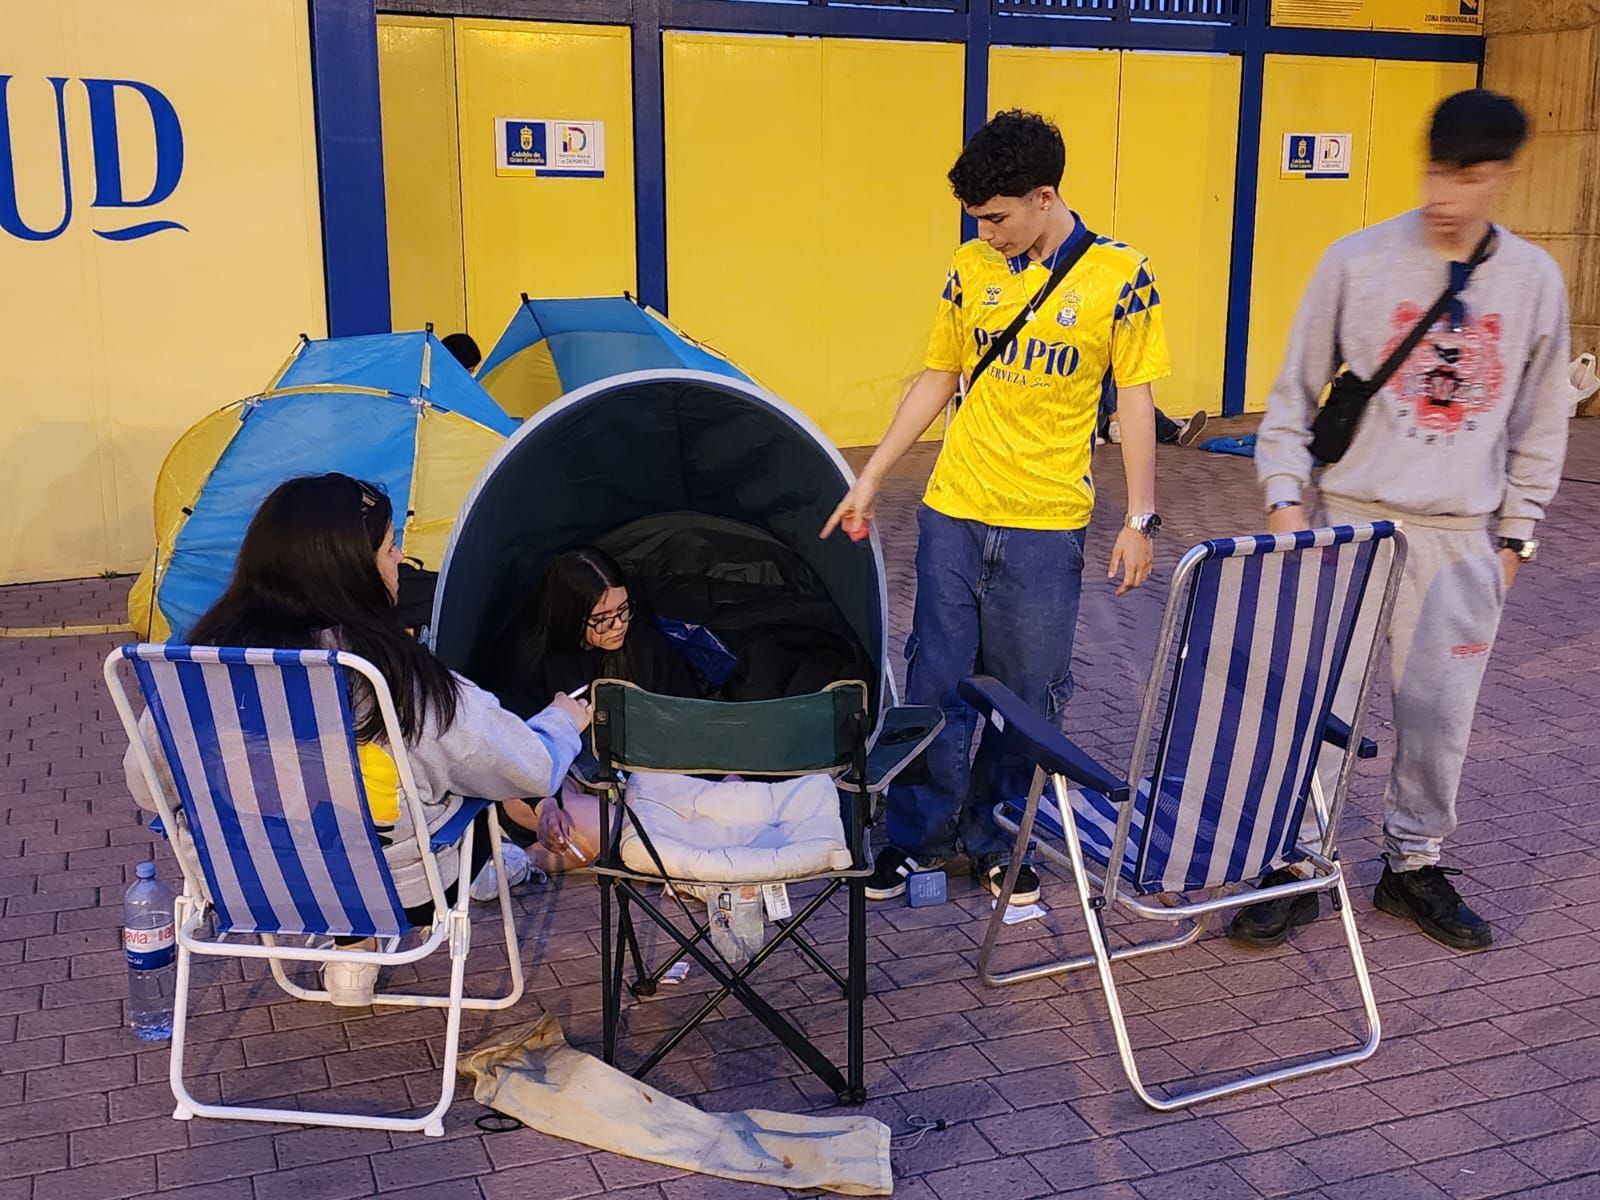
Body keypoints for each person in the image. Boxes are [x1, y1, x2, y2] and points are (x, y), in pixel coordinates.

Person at [1237, 89, 1570, 952]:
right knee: (1317, 707)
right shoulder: (1356, 260)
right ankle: (1299, 863)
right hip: (1348, 525)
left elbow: (1542, 424)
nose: (1445, 194)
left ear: (1504, 174)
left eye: (1467, 176)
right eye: (1433, 171)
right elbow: (1288, 397)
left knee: (1438, 715)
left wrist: (1516, 543)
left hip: (1462, 538)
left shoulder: (1535, 281)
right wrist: (1286, 507)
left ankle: (1412, 866)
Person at [822, 110, 1168, 906]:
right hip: (955, 510)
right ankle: (915, 837)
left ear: (1045, 196)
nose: (988, 232)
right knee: (933, 679)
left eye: (998, 216)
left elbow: (1138, 402)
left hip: (1047, 526)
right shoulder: (970, 268)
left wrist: (1139, 518)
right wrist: (873, 476)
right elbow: (939, 376)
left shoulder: (1121, 276)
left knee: (1028, 694)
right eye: (978, 219)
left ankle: (991, 835)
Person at [122, 473, 592, 1004]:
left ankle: (352, 951)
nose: (400, 561)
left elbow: (148, 787)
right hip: (397, 892)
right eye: (391, 548)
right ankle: (431, 901)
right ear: (351, 569)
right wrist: (560, 722)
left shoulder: (199, 668)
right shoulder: (393, 674)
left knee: (331, 808)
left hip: (245, 884)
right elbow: (528, 768)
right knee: (459, 792)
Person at [483, 546, 700, 878]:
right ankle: (517, 858)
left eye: (624, 610)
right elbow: (516, 753)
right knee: (615, 831)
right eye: (602, 619)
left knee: (654, 826)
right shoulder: (529, 658)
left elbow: (683, 712)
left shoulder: (639, 642)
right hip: (548, 783)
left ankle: (521, 862)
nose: (617, 625)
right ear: (571, 615)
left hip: (624, 777)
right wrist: (547, 805)